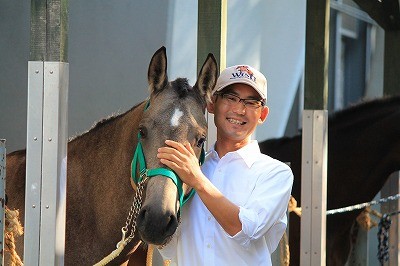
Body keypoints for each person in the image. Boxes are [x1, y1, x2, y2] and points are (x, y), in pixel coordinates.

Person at [157, 64, 293, 265]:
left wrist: (197, 180)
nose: (239, 109)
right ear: (211, 103)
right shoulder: (188, 168)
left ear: (263, 114)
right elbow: (167, 246)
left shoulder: (276, 173)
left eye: (252, 102)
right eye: (231, 98)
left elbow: (246, 230)